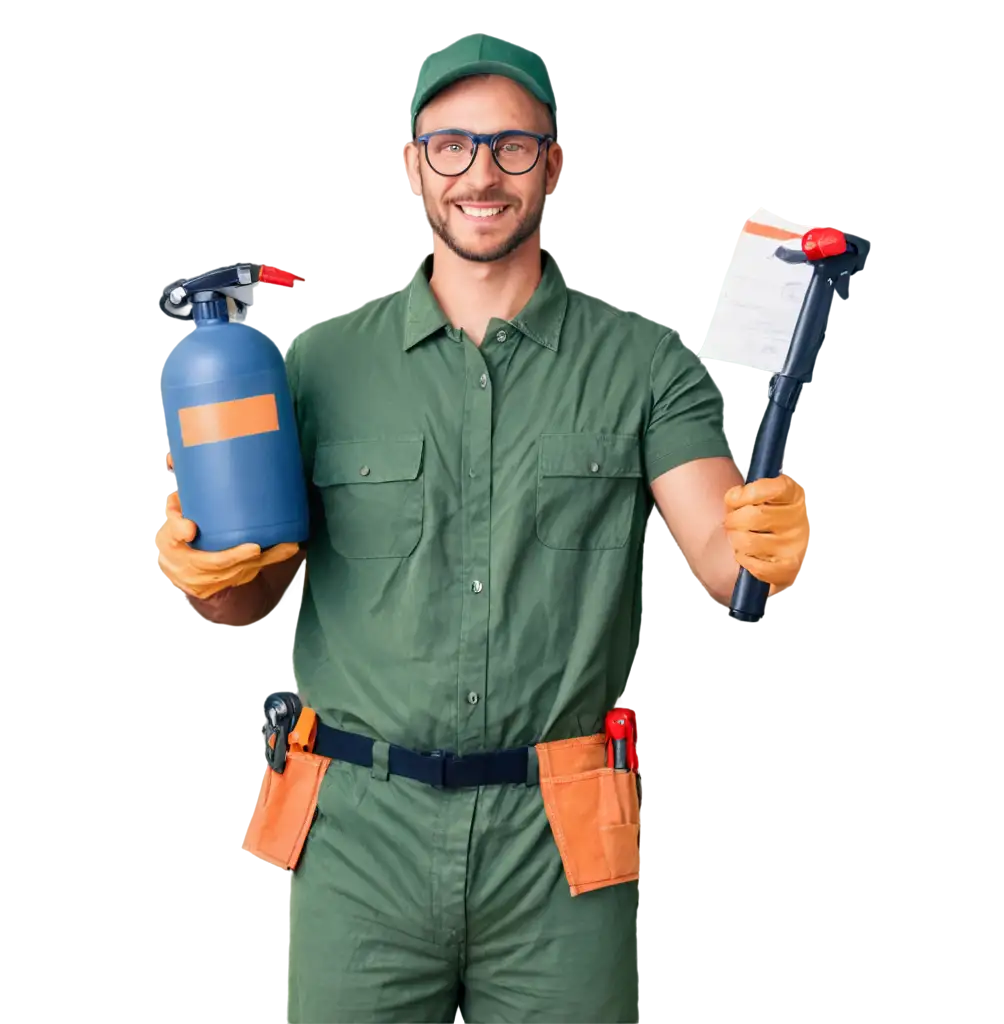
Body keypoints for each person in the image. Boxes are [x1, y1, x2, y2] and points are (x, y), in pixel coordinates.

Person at [152, 31, 808, 1024]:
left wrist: (756, 541)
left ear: (552, 165)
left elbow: (720, 556)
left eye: (511, 146)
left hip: (562, 836)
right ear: (410, 164)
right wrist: (202, 570)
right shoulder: (313, 366)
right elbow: (258, 598)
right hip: (356, 834)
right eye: (451, 145)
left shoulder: (642, 363)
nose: (481, 174)